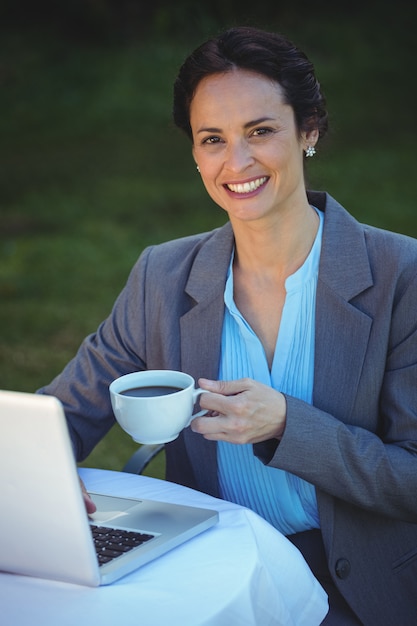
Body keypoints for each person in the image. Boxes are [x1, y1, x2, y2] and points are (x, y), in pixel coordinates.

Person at [38, 26, 417, 624]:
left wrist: (289, 426)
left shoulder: (402, 275)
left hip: (352, 584)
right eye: (212, 139)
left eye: (261, 131)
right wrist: (41, 475)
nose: (236, 163)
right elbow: (61, 414)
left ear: (308, 130)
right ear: (194, 152)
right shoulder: (162, 274)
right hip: (209, 572)